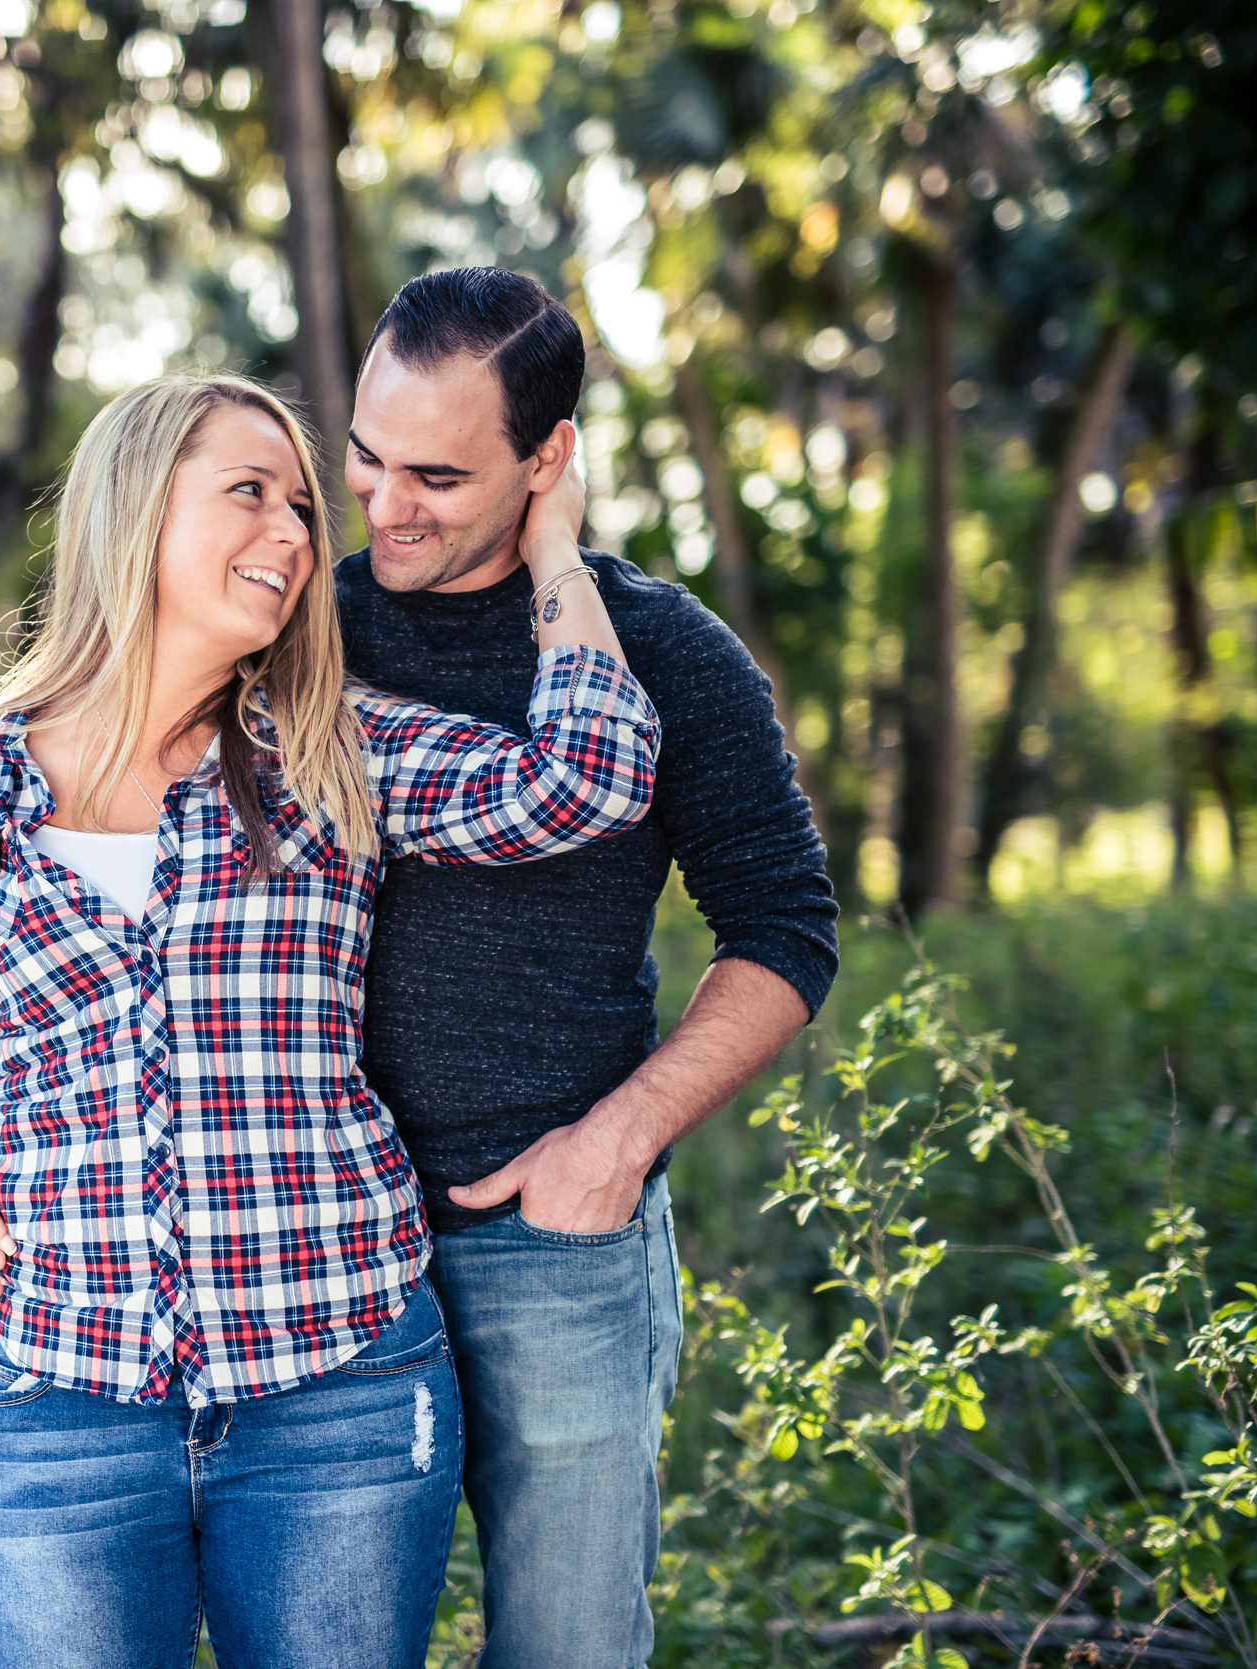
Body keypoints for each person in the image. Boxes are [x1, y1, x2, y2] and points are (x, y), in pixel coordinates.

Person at [0, 371, 660, 1669]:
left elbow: (590, 775)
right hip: (55, 1399)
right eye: (248, 494)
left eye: (301, 506)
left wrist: (554, 542)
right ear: (135, 508)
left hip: (340, 1395)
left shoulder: (331, 754)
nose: (292, 534)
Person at [335, 266, 841, 1668]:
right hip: (314, 1244)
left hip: (554, 1247)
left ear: (548, 460)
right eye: (367, 456)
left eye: (438, 472)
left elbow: (786, 929)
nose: (385, 505)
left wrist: (613, 1144)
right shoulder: (296, 638)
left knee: (565, 1651)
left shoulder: (671, 651)